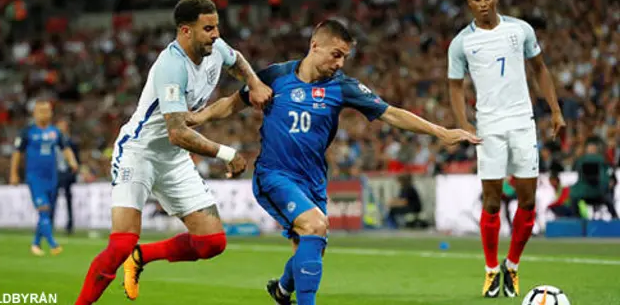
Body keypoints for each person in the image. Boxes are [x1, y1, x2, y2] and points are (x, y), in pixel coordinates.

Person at [189, 19, 481, 305]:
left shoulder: (342, 87)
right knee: (315, 226)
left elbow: (391, 113)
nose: (340, 63)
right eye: (336, 55)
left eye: (345, 57)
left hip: (314, 180)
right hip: (274, 174)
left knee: (311, 250)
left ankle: (281, 289)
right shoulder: (275, 77)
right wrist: (197, 118)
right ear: (315, 46)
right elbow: (231, 103)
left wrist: (440, 132)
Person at [74, 0, 272, 305]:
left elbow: (237, 60)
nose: (216, 34)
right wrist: (225, 153)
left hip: (172, 158)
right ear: (185, 31)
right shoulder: (171, 66)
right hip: (138, 153)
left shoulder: (215, 48)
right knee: (121, 243)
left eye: (217, 26)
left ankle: (142, 257)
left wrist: (255, 82)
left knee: (212, 242)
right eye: (208, 28)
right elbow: (178, 132)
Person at [447, 0, 566, 298]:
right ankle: (490, 271)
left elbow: (540, 69)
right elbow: (455, 87)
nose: (484, 4)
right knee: (491, 200)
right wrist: (463, 124)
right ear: (469, 3)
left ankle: (511, 266)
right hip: (488, 127)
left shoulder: (520, 30)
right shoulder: (461, 43)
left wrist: (555, 111)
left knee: (527, 199)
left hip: (522, 122)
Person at [9, 100, 79, 256]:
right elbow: (17, 153)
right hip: (35, 177)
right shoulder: (27, 132)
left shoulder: (55, 132)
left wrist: (72, 161)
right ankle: (53, 244)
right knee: (43, 209)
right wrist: (13, 174)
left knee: (46, 213)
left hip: (52, 177)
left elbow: (65, 148)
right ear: (34, 113)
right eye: (41, 110)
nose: (44, 114)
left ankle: (35, 244)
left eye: (47, 110)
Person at [569, 142, 618, 219]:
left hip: (600, 193)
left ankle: (615, 219)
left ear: (596, 151)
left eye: (593, 150)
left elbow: (610, 176)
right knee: (573, 197)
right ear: (586, 151)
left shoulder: (602, 161)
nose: (591, 152)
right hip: (585, 193)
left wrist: (611, 182)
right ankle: (576, 220)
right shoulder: (581, 161)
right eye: (590, 150)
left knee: (608, 199)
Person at [53, 118, 79, 234]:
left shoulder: (71, 142)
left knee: (68, 199)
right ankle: (50, 223)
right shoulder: (52, 142)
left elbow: (77, 158)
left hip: (67, 174)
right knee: (53, 199)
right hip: (55, 173)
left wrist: (73, 172)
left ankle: (70, 224)